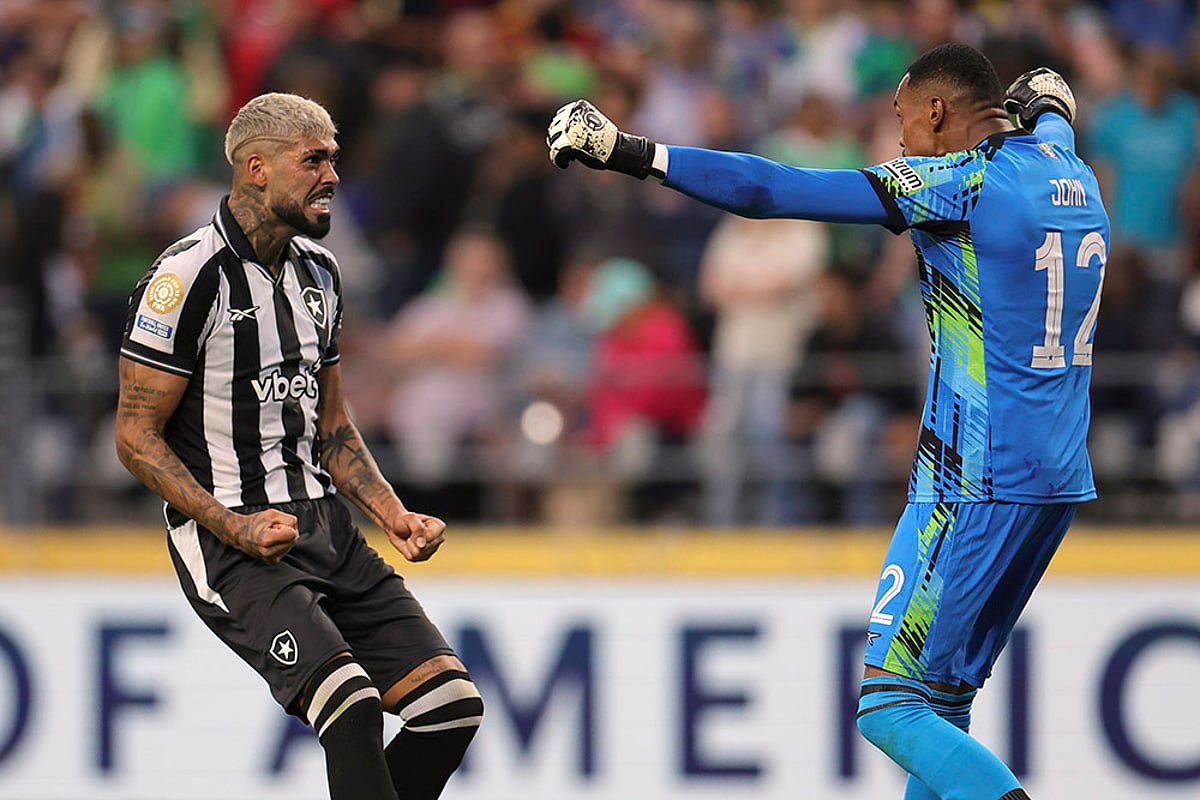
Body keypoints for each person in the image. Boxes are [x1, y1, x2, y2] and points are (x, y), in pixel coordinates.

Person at [548, 43, 1108, 800]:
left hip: (976, 478)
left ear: (939, 112)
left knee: (888, 705)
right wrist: (1044, 102)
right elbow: (1052, 99)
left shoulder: (960, 184)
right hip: (1058, 478)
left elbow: (771, 190)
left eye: (902, 117)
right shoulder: (1065, 166)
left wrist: (632, 152)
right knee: (940, 703)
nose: (899, 136)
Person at [114, 92, 482, 800]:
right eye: (313, 159)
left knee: (450, 711)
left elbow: (333, 425)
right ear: (256, 168)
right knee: (350, 708)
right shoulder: (187, 278)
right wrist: (234, 524)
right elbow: (134, 436)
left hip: (324, 526)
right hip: (231, 542)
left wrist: (392, 513)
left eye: (334, 159)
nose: (332, 175)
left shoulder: (321, 274)